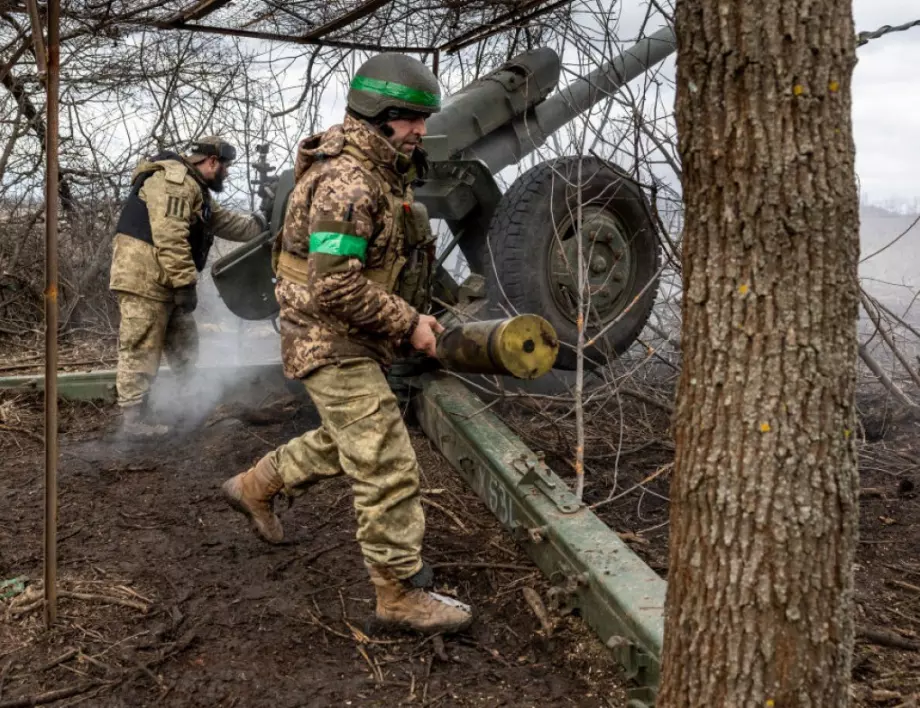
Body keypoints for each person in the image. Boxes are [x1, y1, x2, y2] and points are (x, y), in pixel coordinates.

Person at [220, 54, 474, 635]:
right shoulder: (348, 182)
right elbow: (334, 286)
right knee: (385, 461)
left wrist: (409, 316)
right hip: (328, 338)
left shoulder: (375, 170)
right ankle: (399, 596)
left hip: (350, 334)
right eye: (411, 119)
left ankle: (254, 486)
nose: (421, 131)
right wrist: (407, 322)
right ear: (379, 115)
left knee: (352, 440)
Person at [109, 137, 267, 437]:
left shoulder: (197, 191)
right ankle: (132, 422)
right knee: (140, 345)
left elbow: (227, 223)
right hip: (144, 279)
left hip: (163, 279)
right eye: (226, 168)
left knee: (184, 343)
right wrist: (185, 284)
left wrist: (263, 225)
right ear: (211, 162)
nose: (228, 174)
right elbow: (170, 237)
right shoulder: (175, 182)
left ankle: (191, 403)